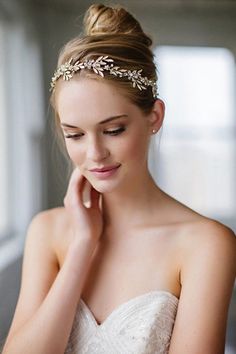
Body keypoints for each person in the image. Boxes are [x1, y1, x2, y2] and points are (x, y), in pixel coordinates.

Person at [2, 4, 236, 354]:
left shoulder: (206, 244)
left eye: (113, 130)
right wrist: (82, 245)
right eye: (75, 135)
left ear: (154, 116)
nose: (95, 153)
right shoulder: (47, 232)